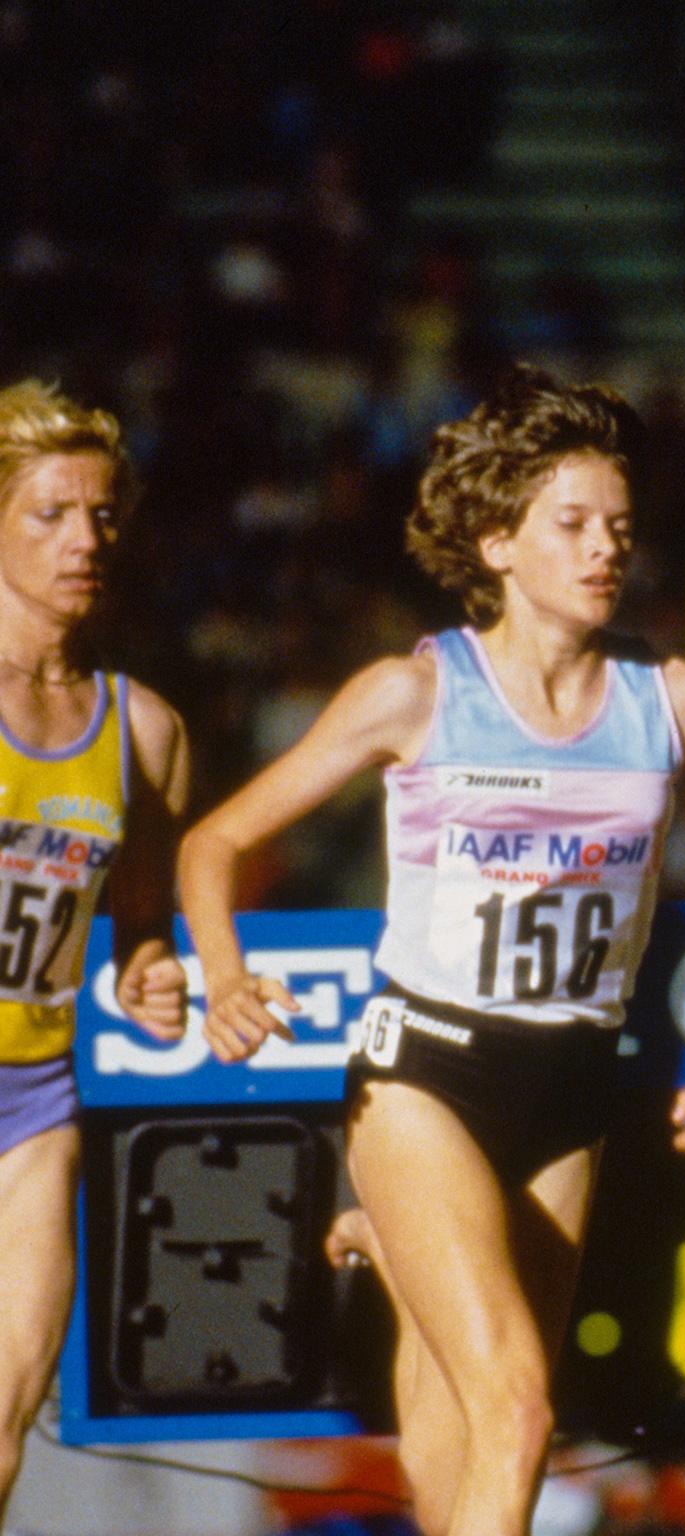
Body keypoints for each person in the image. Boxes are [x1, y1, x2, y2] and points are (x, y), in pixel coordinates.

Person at [178, 366, 685, 1536]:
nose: (602, 551)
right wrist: (223, 976)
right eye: (569, 526)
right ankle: (405, 1203)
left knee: (457, 1425)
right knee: (519, 1410)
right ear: (496, 543)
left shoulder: (672, 701)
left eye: (618, 529)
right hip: (426, 1074)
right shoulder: (413, 695)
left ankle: (407, 1232)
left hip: (567, 1093)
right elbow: (213, 843)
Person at [0, 382, 189, 1517]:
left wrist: (151, 978)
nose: (85, 540)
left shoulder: (144, 730)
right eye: (51, 514)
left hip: (29, 1105)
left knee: (7, 1405)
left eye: (103, 514)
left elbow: (140, 940)